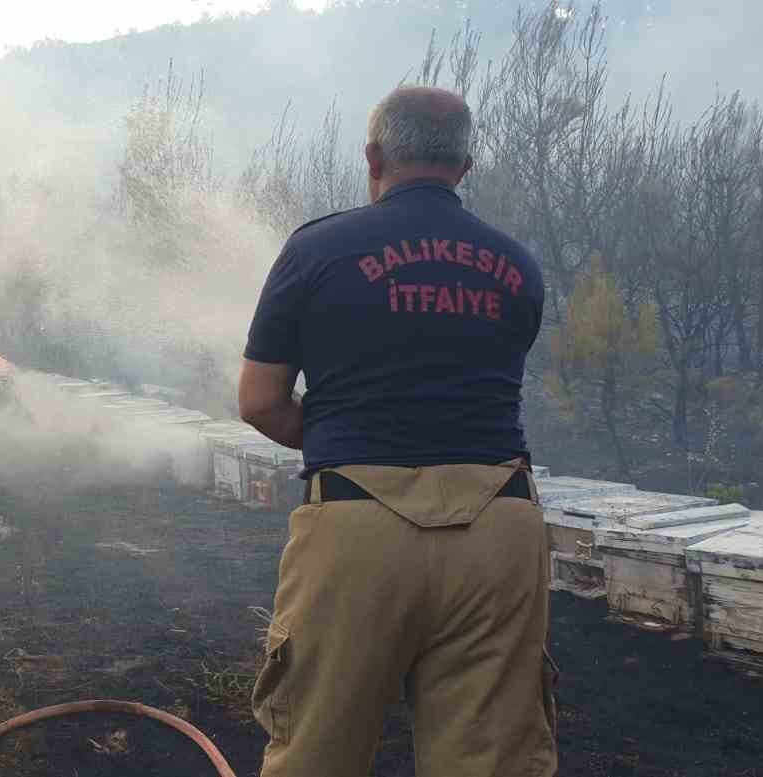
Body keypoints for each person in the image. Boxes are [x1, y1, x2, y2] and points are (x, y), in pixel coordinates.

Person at [237, 86, 555, 777]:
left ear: (374, 157)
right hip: (500, 526)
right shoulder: (518, 265)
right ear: (464, 168)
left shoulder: (316, 250)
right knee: (493, 759)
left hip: (357, 526)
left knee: (317, 751)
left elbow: (260, 402)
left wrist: (348, 430)